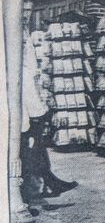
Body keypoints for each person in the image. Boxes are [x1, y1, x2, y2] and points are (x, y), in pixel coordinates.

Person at [21, 25, 78, 201]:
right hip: (25, 107)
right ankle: (42, 184)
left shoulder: (21, 32)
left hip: (29, 105)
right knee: (30, 147)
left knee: (35, 146)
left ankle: (48, 181)